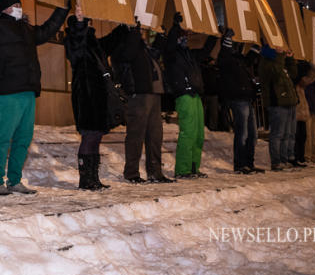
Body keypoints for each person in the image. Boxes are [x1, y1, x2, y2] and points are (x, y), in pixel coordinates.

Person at [0, 0, 68, 195]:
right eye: (13, 4)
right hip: (8, 90)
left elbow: (48, 29)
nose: (18, 8)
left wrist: (63, 8)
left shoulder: (26, 29)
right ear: (4, 8)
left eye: (19, 4)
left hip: (28, 90)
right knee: (4, 137)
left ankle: (14, 180)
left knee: (24, 138)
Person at [106, 23, 173, 184]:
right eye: (138, 30)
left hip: (153, 95)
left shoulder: (142, 48)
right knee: (136, 135)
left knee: (155, 136)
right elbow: (128, 54)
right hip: (138, 95)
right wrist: (133, 32)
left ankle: (155, 172)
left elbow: (156, 51)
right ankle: (131, 172)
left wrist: (163, 35)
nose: (142, 32)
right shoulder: (123, 46)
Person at [163, 12, 217, 179]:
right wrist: (175, 27)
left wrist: (215, 35)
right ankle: (182, 169)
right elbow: (170, 45)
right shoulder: (171, 55)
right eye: (182, 36)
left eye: (186, 35)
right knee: (188, 132)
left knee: (198, 133)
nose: (185, 38)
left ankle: (194, 167)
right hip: (184, 95)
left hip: (195, 95)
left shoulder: (190, 55)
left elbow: (206, 50)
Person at [64, 14, 114, 190]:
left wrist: (125, 27)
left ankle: (93, 177)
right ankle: (85, 179)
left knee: (96, 137)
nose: (89, 22)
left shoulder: (93, 42)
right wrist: (79, 24)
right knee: (89, 136)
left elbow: (111, 42)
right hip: (85, 94)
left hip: (98, 95)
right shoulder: (73, 39)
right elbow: (76, 49)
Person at [216, 29, 263, 174]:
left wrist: (257, 45)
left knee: (252, 134)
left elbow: (249, 58)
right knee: (242, 133)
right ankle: (240, 165)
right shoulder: (225, 58)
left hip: (247, 100)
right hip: (238, 100)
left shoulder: (238, 59)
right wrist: (227, 38)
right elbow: (225, 52)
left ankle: (249, 163)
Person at [258, 44, 298, 171]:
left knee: (287, 134)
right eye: (276, 49)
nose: (280, 50)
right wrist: (280, 56)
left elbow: (293, 74)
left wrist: (290, 59)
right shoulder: (267, 64)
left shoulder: (279, 63)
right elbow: (276, 73)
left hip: (288, 102)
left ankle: (284, 159)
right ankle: (276, 162)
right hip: (277, 104)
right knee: (278, 134)